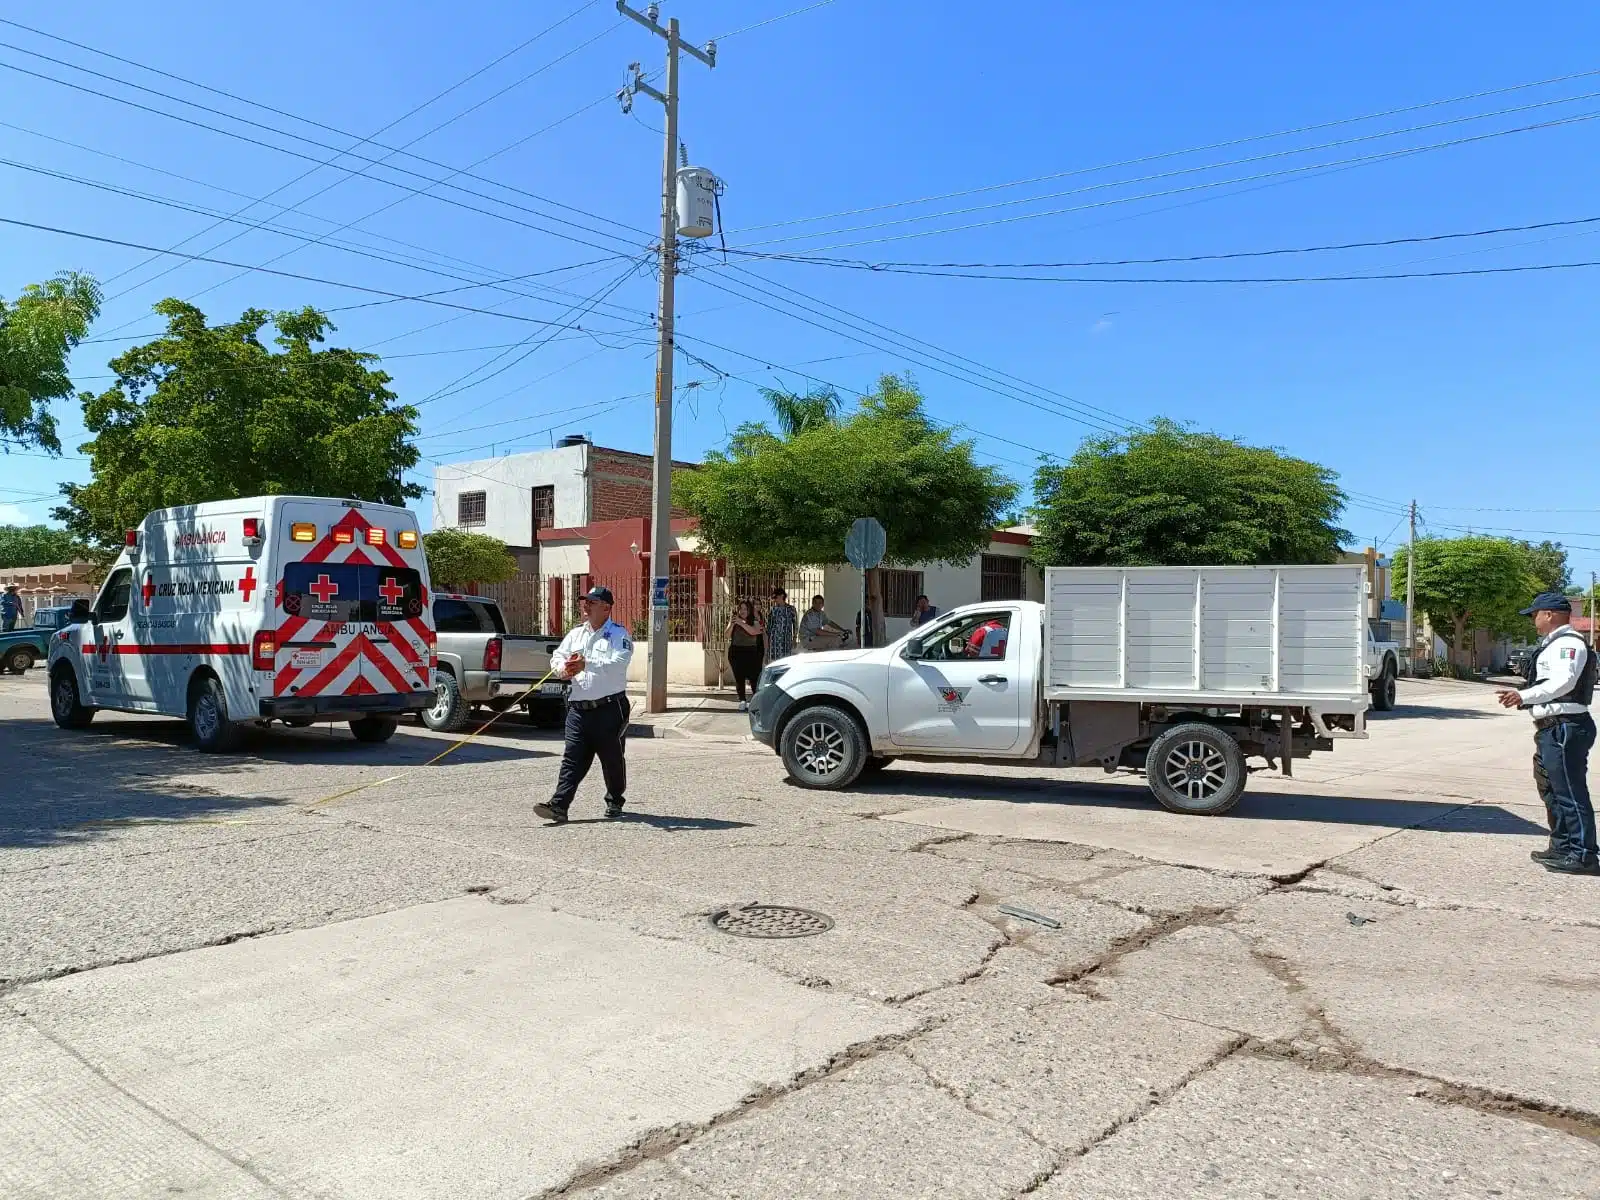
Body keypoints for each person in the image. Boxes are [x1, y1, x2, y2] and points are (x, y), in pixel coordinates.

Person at [1496, 591, 1598, 875]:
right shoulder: (1553, 643)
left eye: (1535, 614)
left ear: (1549, 614)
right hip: (1552, 728)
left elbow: (1564, 682)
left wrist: (1524, 695)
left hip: (1565, 726)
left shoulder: (1569, 644)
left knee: (1570, 793)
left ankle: (1584, 855)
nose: (1533, 620)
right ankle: (1563, 846)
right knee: (1552, 790)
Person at [534, 586, 634, 826]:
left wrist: (586, 664)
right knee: (572, 758)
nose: (586, 606)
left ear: (606, 608)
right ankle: (559, 806)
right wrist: (562, 669)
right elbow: (558, 655)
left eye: (592, 602)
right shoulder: (576, 634)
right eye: (585, 601)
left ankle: (615, 799)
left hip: (610, 707)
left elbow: (618, 663)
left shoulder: (619, 635)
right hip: (578, 708)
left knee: (611, 758)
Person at [725, 599, 765, 710]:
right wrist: (732, 624)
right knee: (739, 678)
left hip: (752, 653)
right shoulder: (734, 620)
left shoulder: (754, 621)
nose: (742, 611)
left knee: (754, 678)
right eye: (740, 609)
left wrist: (741, 623)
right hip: (736, 652)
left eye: (745, 609)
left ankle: (756, 701)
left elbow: (754, 631)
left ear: (749, 610)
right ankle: (742, 700)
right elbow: (727, 635)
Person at [766, 588, 798, 661]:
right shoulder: (773, 609)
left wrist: (795, 638)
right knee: (774, 661)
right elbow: (769, 625)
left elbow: (795, 624)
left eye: (776, 597)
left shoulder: (791, 609)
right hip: (774, 640)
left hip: (786, 639)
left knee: (786, 660)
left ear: (782, 596)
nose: (775, 600)